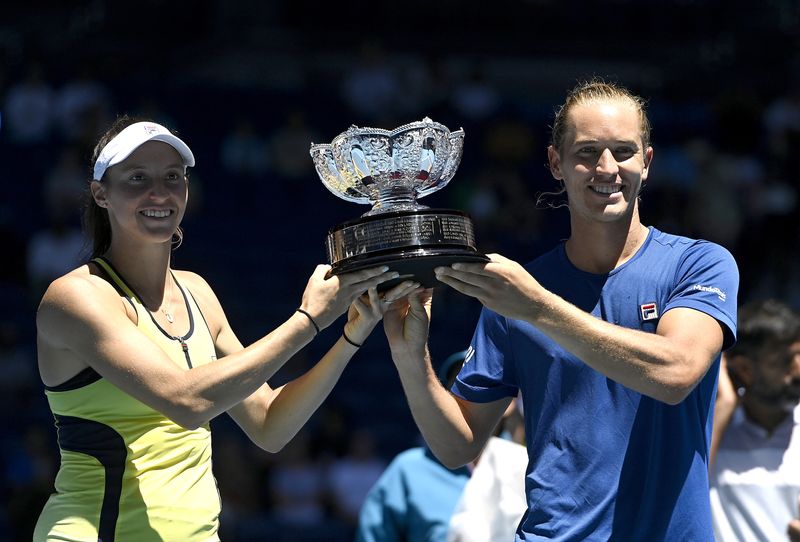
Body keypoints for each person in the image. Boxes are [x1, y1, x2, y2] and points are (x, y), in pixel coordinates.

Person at [33, 116, 421, 541]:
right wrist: (308, 321)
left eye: (172, 177)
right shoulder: (76, 296)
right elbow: (185, 401)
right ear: (100, 194)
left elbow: (270, 425)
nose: (158, 192)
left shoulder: (199, 292)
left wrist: (350, 335)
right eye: (137, 177)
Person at [383, 79, 739, 540]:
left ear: (647, 163)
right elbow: (457, 445)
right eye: (587, 151)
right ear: (556, 163)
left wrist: (538, 308)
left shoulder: (700, 263)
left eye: (624, 151)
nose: (607, 167)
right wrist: (410, 356)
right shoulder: (517, 296)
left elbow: (675, 373)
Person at [356, 350, 527, 542]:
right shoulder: (407, 469)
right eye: (459, 386)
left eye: (483, 385)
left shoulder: (528, 466)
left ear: (511, 402)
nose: (472, 396)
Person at [709, 299, 800, 542]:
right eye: (784, 361)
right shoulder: (715, 431)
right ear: (745, 369)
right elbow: (684, 494)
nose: (799, 369)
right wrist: (723, 403)